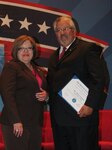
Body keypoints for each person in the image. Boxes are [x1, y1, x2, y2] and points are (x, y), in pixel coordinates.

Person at [47, 16, 109, 150]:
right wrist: (46, 93)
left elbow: (100, 79)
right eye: (58, 30)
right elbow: (52, 82)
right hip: (58, 121)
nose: (62, 33)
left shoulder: (88, 49)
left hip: (81, 118)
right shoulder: (53, 56)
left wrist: (90, 105)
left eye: (65, 29)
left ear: (74, 31)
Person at [0, 35, 48, 150]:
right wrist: (16, 121)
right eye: (22, 48)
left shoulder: (38, 70)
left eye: (29, 48)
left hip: (35, 123)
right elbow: (7, 95)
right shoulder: (11, 67)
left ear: (33, 51)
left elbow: (44, 90)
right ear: (16, 51)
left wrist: (46, 96)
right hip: (17, 123)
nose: (26, 51)